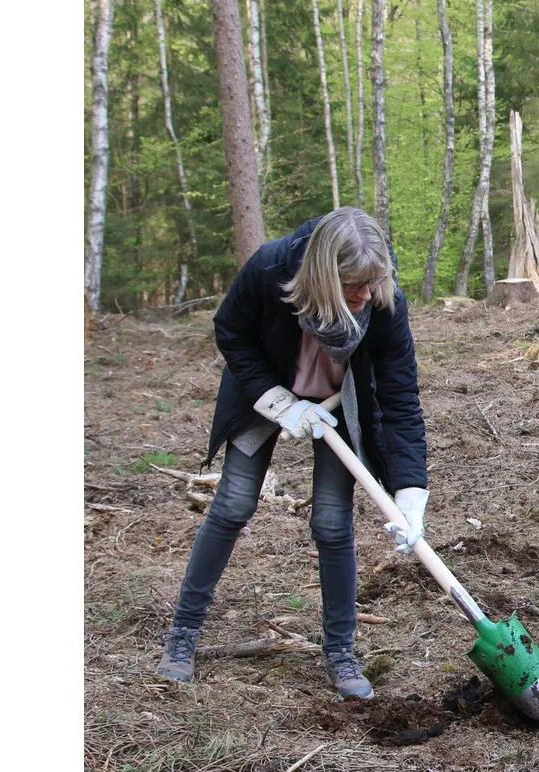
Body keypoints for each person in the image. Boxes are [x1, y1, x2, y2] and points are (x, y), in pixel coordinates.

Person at [156, 208, 429, 700]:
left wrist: (410, 494)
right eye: (353, 286)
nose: (365, 296)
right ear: (324, 276)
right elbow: (231, 331)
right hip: (267, 386)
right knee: (234, 503)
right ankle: (182, 634)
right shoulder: (269, 269)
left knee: (330, 521)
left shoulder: (383, 300)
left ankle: (340, 650)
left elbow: (400, 396)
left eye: (372, 284)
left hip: (338, 402)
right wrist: (279, 403)